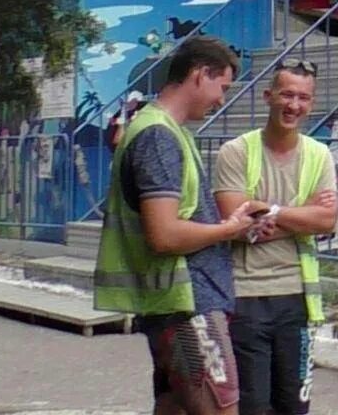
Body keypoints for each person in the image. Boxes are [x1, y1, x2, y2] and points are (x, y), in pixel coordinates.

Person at [95, 35, 265, 415]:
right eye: (221, 86)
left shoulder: (164, 132)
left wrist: (230, 225)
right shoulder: (159, 137)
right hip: (187, 305)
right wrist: (229, 230)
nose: (222, 99)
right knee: (221, 408)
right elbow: (165, 235)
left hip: (179, 303)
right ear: (199, 74)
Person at [213, 60, 338, 415]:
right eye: (286, 94)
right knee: (252, 406)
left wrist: (264, 210)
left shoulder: (318, 155)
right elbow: (233, 221)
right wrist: (304, 216)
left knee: (294, 406)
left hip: (296, 297)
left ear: (312, 103)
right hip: (246, 297)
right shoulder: (236, 152)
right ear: (268, 96)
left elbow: (328, 220)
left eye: (303, 97)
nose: (293, 105)